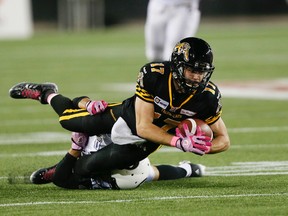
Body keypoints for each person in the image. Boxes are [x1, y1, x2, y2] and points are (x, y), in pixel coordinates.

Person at [9, 37, 230, 179]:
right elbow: (143, 126)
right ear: (177, 66)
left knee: (92, 169)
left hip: (144, 143)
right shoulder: (155, 75)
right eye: (192, 70)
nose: (197, 77)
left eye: (202, 71)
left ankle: (65, 168)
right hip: (129, 117)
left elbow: (224, 140)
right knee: (67, 120)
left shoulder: (208, 97)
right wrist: (177, 142)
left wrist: (201, 147)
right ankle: (48, 93)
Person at [30, 132, 205, 190]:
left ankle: (188, 170)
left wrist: (75, 149)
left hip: (128, 175)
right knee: (154, 173)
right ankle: (189, 169)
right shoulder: (104, 131)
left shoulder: (99, 161)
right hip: (123, 154)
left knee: (151, 173)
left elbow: (62, 180)